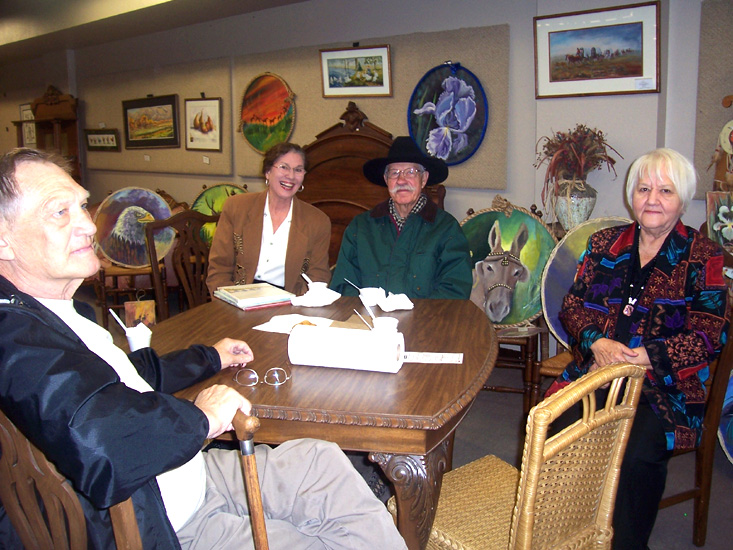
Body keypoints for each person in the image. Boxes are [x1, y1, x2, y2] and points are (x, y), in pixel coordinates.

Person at [0, 148, 406, 549]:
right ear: (4, 240)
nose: (89, 225)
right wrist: (201, 417)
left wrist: (210, 356)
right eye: (60, 211)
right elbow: (104, 445)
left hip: (185, 473)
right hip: (160, 520)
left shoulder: (62, 314)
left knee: (321, 460)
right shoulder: (16, 338)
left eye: (81, 205)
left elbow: (130, 377)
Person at [547, 148, 729, 550]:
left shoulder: (704, 256)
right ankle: (569, 531)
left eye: (666, 190)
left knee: (635, 453)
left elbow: (710, 334)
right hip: (598, 373)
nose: (653, 199)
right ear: (632, 195)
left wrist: (646, 356)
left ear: (683, 199)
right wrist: (598, 343)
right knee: (552, 429)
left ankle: (627, 543)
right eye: (644, 189)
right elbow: (572, 307)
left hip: (664, 388)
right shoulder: (603, 244)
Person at [329, 136, 472, 299]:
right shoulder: (360, 227)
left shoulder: (446, 229)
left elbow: (455, 292)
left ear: (424, 179)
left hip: (426, 316)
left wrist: (413, 313)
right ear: (386, 180)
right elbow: (343, 286)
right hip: (367, 315)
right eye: (394, 173)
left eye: (410, 172)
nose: (401, 180)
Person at [206, 142, 331, 297]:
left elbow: (318, 276)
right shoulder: (236, 207)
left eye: (298, 170)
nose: (291, 176)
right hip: (239, 296)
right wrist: (231, 300)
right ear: (267, 171)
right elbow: (219, 268)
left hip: (290, 300)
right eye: (284, 167)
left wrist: (296, 306)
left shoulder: (318, 221)